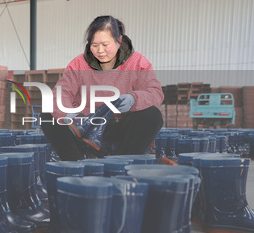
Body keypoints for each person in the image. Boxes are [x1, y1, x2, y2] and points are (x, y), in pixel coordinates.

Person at [41, 15, 164, 161]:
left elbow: (155, 92)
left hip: (121, 128)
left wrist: (133, 99)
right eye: (94, 45)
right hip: (86, 128)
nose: (100, 50)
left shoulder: (137, 62)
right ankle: (76, 162)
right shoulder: (79, 64)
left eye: (105, 45)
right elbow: (61, 92)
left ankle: (122, 162)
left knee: (152, 116)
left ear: (119, 41)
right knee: (48, 115)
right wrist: (69, 116)